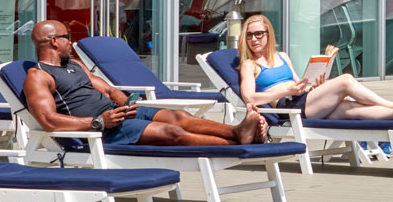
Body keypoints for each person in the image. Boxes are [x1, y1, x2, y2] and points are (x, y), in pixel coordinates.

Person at [22, 20, 270, 147]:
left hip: (117, 114)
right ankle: (236, 141)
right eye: (67, 37)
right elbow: (49, 121)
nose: (70, 42)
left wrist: (127, 103)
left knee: (178, 116)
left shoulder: (75, 64)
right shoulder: (38, 76)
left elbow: (108, 89)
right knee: (172, 133)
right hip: (101, 130)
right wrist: (98, 122)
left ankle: (237, 131)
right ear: (53, 41)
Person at [236, 13, 393, 121]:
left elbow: (298, 84)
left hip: (303, 100)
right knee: (346, 80)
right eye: (249, 35)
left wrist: (314, 86)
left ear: (268, 35)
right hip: (288, 109)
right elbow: (250, 98)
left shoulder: (282, 56)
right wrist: (286, 91)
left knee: (351, 108)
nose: (254, 39)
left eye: (259, 34)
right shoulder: (249, 65)